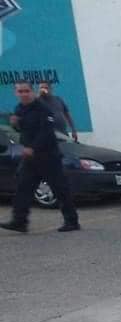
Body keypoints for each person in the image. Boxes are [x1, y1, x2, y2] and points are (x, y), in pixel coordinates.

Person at [0, 82, 80, 233]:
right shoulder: (19, 109)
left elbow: (47, 132)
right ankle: (19, 221)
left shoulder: (43, 108)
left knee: (60, 188)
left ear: (32, 91)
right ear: (16, 93)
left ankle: (72, 221)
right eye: (20, 91)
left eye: (26, 91)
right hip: (30, 158)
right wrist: (15, 124)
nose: (24, 94)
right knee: (23, 188)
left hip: (49, 156)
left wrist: (33, 147)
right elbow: (22, 130)